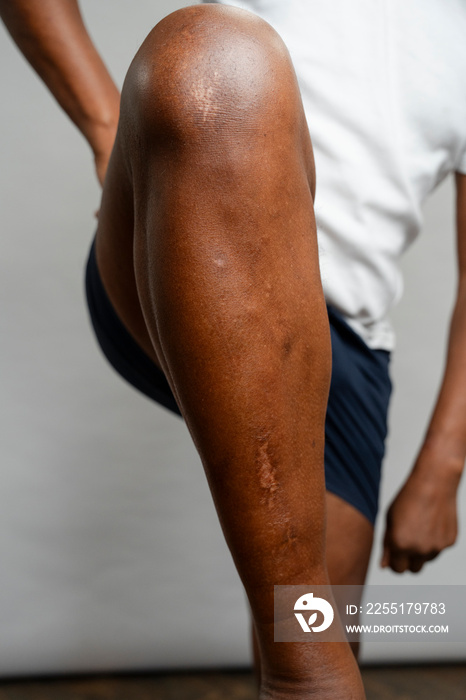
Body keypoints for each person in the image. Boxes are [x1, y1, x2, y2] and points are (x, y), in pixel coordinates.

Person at [1, 0, 465, 697]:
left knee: (325, 622)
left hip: (345, 350)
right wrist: (106, 131)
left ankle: (304, 659)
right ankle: (303, 670)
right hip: (192, 264)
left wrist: (442, 465)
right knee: (214, 56)